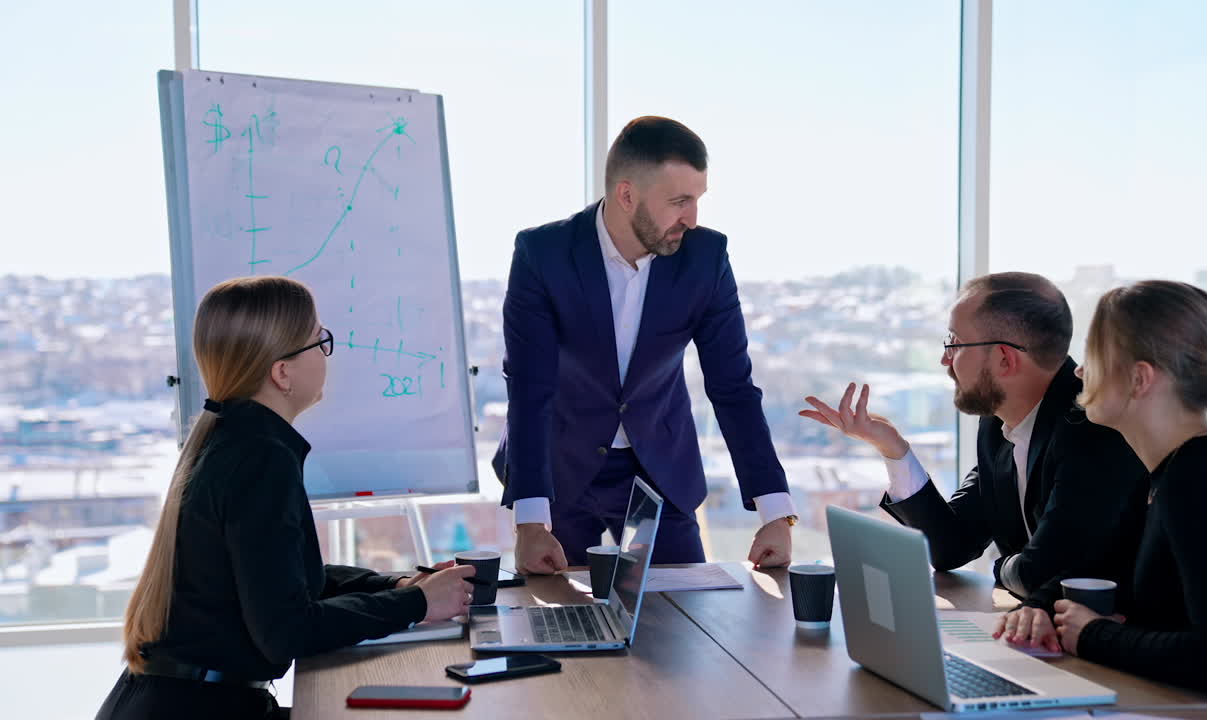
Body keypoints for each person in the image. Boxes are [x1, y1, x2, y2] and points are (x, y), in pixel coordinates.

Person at [97, 277, 475, 720]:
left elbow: (277, 574)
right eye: (320, 341)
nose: (326, 355)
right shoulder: (260, 459)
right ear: (282, 372)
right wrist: (416, 604)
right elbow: (287, 630)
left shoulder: (232, 440)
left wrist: (395, 587)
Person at [494, 116, 795, 573]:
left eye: (697, 200)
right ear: (627, 194)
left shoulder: (705, 257)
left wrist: (776, 513)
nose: (691, 218)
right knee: (559, 623)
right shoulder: (543, 255)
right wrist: (530, 523)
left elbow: (733, 386)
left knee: (681, 624)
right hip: (559, 467)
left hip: (659, 466)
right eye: (679, 201)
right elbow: (530, 388)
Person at [802, 272, 1148, 617]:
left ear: (1004, 359)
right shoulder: (998, 426)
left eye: (953, 342)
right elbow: (950, 547)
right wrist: (894, 450)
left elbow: (1042, 574)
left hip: (1111, 650)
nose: (944, 360)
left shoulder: (1092, 429)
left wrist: (1000, 568)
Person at [1044, 280, 1207, 699]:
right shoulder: (1168, 473)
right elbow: (1105, 567)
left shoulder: (1200, 478)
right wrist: (1038, 612)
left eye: (1093, 356)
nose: (1079, 371)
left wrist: (1093, 635)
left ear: (1139, 379)